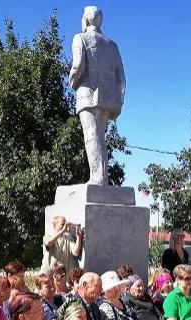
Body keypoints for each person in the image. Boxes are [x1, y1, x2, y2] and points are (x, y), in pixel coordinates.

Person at [70, 5, 126, 185]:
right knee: (100, 137)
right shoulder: (112, 45)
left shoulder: (81, 38)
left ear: (86, 19)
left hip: (87, 94)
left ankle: (98, 179)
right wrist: (119, 101)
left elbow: (78, 66)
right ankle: (101, 178)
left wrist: (72, 80)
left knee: (92, 136)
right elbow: (122, 78)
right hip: (108, 98)